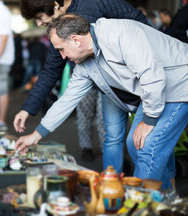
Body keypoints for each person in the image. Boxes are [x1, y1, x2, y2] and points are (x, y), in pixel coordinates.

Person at [15, 14, 188, 189]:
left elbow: (152, 76)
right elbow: (66, 100)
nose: (62, 56)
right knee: (135, 145)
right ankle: (164, 198)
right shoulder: (85, 65)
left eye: (61, 49)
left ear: (75, 40)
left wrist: (149, 120)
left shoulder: (120, 35)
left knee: (146, 146)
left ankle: (138, 204)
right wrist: (36, 135)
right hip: (156, 91)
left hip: (180, 83)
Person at [14, 0, 148, 168]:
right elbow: (51, 70)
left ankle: (160, 188)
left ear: (55, 5)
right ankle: (110, 186)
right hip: (105, 86)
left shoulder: (98, 1)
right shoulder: (56, 33)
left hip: (141, 80)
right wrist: (27, 108)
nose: (39, 23)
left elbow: (139, 23)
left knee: (143, 143)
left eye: (39, 17)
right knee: (112, 139)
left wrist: (146, 65)